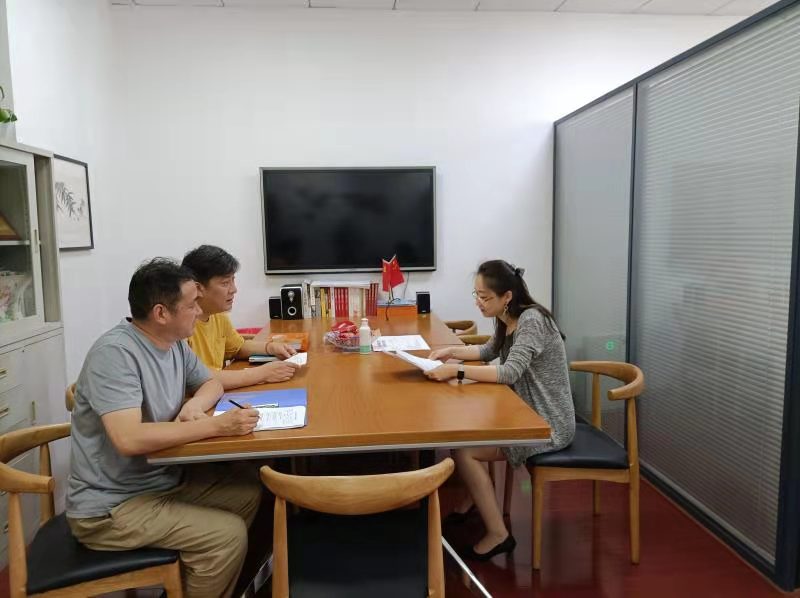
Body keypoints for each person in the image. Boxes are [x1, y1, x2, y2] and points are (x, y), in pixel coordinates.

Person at [66, 258, 263, 598]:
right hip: (111, 506)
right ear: (161, 313)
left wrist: (194, 406)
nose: (199, 311)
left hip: (161, 481)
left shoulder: (173, 344)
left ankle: (196, 583)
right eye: (191, 305)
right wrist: (215, 427)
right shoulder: (115, 354)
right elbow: (129, 439)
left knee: (249, 493)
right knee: (226, 535)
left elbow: (211, 383)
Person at [426, 259, 575, 561]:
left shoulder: (532, 321)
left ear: (507, 296)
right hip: (522, 410)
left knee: (465, 451)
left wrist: (455, 371)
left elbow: (509, 372)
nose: (479, 302)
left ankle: (498, 534)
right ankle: (475, 498)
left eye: (485, 297)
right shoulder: (507, 317)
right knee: (465, 436)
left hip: (547, 422)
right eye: (477, 295)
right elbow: (489, 351)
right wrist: (451, 351)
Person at [181, 245, 299, 389]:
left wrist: (270, 348)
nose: (234, 289)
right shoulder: (181, 325)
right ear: (198, 288)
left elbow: (237, 347)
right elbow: (197, 377)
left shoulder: (217, 315)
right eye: (225, 283)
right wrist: (261, 374)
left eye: (233, 280)